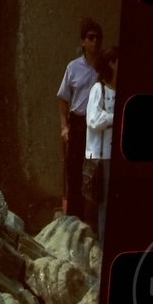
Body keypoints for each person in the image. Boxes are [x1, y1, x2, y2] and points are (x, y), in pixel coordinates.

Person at [56, 19, 103, 221]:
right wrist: (64, 127)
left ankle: (93, 222)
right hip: (78, 122)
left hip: (99, 125)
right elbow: (63, 99)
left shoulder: (105, 67)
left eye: (98, 38)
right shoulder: (73, 68)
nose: (95, 42)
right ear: (83, 42)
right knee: (74, 172)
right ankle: (74, 221)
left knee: (96, 172)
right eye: (90, 38)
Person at [84, 47, 118, 246]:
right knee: (103, 205)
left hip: (116, 155)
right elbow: (94, 119)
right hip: (101, 156)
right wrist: (116, 117)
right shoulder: (99, 90)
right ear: (112, 63)